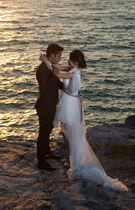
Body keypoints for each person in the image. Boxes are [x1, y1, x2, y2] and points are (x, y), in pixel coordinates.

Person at [42, 49, 128, 191]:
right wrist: (50, 63)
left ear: (74, 61)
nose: (67, 61)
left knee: (69, 132)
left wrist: (46, 62)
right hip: (70, 102)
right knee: (66, 131)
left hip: (70, 105)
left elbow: (56, 73)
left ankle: (75, 162)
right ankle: (73, 160)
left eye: (70, 59)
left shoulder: (72, 73)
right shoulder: (74, 70)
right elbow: (60, 68)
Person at [35, 43, 64, 171]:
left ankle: (47, 152)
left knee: (48, 129)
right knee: (43, 133)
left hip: (51, 105)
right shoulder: (42, 69)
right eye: (58, 56)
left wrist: (69, 89)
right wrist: (54, 72)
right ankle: (41, 162)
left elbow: (57, 83)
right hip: (45, 106)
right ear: (51, 56)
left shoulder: (51, 67)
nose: (60, 59)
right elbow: (46, 87)